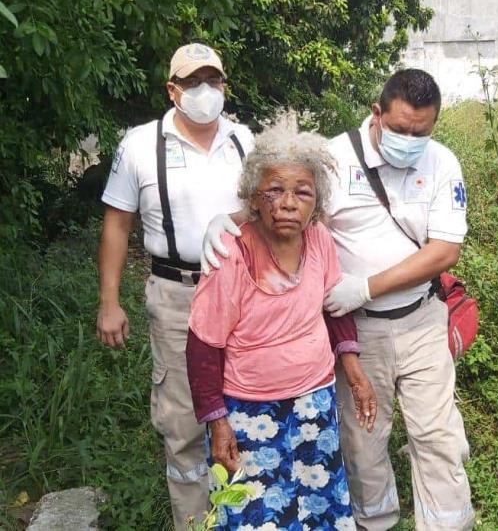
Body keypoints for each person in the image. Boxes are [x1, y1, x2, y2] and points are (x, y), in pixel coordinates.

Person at [202, 69, 475, 530]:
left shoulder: (441, 163)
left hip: (421, 320)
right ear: (377, 113)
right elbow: (286, 202)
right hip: (359, 328)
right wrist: (228, 219)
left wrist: (366, 286)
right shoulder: (332, 157)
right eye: (401, 129)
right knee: (364, 440)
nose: (410, 140)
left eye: (421, 132)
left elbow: (445, 250)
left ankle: (449, 524)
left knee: (440, 437)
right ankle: (377, 523)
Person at [186, 118, 377, 530]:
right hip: (247, 411)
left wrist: (354, 370)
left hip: (314, 401)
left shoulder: (321, 239)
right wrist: (218, 422)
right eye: (274, 190)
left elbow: (333, 307)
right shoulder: (230, 253)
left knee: (317, 510)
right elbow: (203, 345)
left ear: (317, 202)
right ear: (254, 198)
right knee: (255, 516)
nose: (288, 203)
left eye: (302, 192)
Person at [96, 43, 255, 529]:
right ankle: (193, 521)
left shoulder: (244, 139)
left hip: (242, 291)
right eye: (193, 83)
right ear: (172, 90)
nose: (205, 92)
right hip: (176, 293)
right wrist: (109, 302)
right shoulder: (141, 144)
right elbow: (117, 225)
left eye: (214, 81)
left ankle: (244, 514)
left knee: (246, 409)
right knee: (184, 421)